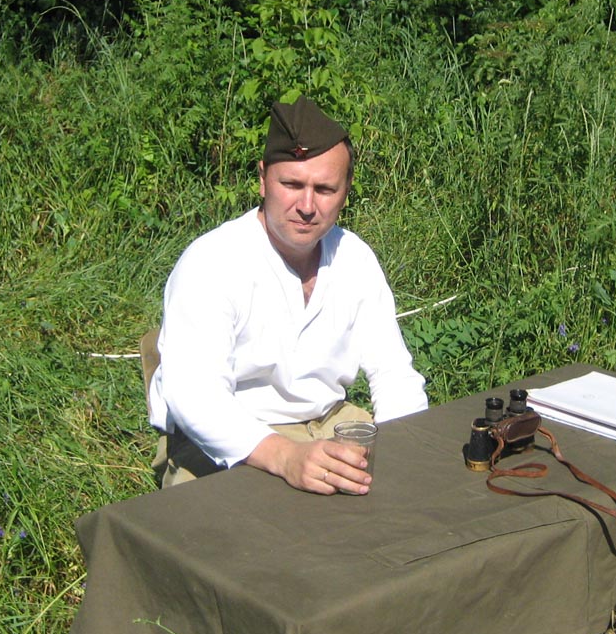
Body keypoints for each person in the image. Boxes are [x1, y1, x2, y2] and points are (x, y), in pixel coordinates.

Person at [147, 96, 427, 493]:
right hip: (228, 439)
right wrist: (285, 457)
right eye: (292, 185)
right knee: (246, 527)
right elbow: (196, 398)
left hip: (331, 422)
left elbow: (394, 374)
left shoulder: (354, 259)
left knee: (414, 496)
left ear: (346, 191)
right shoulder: (212, 262)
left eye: (325, 189)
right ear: (263, 179)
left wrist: (400, 450)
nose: (307, 206)